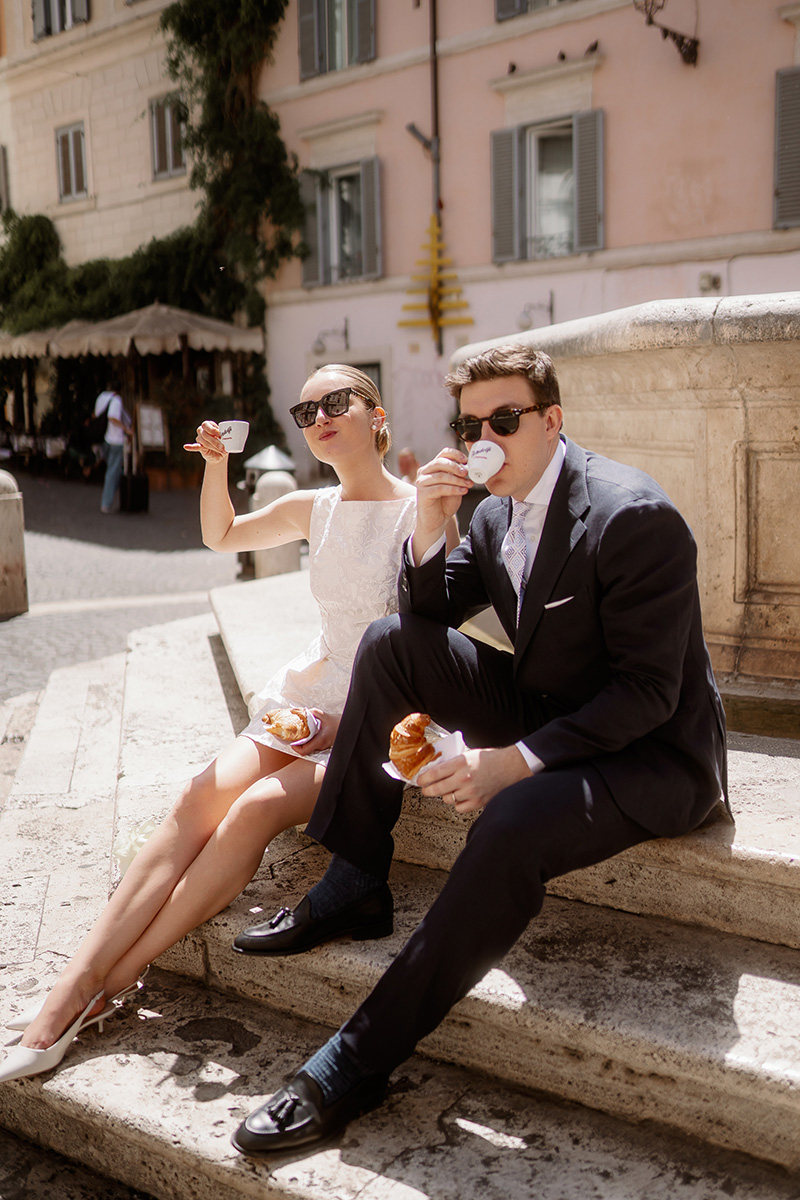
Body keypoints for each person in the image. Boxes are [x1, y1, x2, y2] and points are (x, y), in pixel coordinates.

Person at [229, 342, 730, 1156]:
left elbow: (649, 694)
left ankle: (353, 1063)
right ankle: (356, 875)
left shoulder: (632, 516)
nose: (485, 436)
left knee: (509, 823)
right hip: (552, 706)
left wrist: (516, 761)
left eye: (505, 419)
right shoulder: (493, 510)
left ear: (552, 421)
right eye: (470, 423)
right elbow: (428, 613)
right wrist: (429, 527)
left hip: (656, 754)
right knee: (391, 644)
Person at [0, 364, 458, 1084]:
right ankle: (81, 984)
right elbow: (222, 536)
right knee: (193, 800)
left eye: (336, 400)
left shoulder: (418, 510)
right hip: (306, 698)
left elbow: (435, 627)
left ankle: (100, 987)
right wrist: (217, 467)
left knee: (254, 810)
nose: (319, 416)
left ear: (376, 414)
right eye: (305, 410)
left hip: (374, 718)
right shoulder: (316, 507)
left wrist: (358, 719)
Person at [93, 382, 132, 513]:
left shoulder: (101, 398)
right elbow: (112, 417)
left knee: (115, 471)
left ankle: (119, 499)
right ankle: (106, 503)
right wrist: (126, 429)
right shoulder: (116, 400)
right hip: (115, 440)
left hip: (105, 439)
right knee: (113, 472)